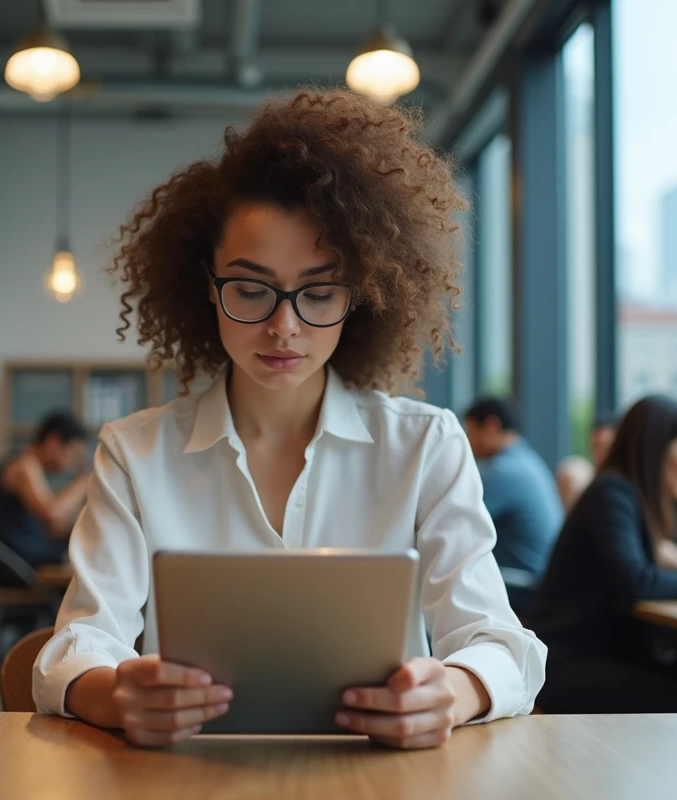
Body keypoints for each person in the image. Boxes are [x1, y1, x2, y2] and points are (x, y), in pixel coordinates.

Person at [33, 90, 545, 750]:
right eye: (250, 288)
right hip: (189, 781)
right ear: (206, 284)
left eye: (319, 291)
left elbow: (501, 645)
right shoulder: (135, 453)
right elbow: (79, 642)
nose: (284, 325)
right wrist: (114, 693)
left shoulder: (426, 445)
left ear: (359, 293)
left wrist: (454, 692)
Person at [530, 395, 677, 714]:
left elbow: (644, 572)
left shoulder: (625, 495)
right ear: (656, 451)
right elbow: (636, 580)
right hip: (568, 664)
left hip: (595, 657)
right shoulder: (611, 493)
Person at [0, 411, 89, 580]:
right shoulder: (23, 465)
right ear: (53, 442)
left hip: (19, 558)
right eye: (72, 452)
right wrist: (86, 480)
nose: (73, 463)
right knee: (81, 563)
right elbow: (52, 515)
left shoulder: (27, 465)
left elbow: (53, 524)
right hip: (11, 566)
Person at [462, 397, 563, 579]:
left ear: (492, 425)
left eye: (470, 431)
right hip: (541, 577)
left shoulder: (504, 472)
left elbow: (460, 522)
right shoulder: (526, 460)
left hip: (525, 583)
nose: (468, 441)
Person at [555, 411, 617, 512]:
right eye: (596, 445)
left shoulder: (620, 488)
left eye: (606, 446)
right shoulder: (584, 479)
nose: (600, 453)